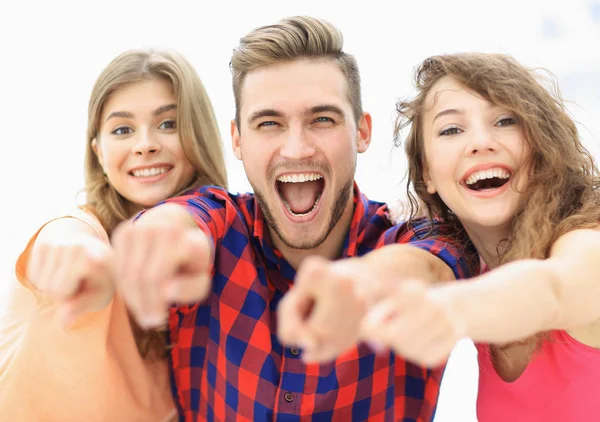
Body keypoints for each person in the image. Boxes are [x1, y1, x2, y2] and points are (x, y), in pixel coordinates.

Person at [110, 16, 476, 421]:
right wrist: (161, 242)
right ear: (237, 140)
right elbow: (178, 222)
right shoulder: (217, 223)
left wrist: (366, 281)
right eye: (269, 123)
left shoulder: (410, 237)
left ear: (361, 131)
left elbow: (437, 266)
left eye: (322, 119)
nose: (297, 148)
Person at [358, 53, 600, 421]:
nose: (481, 142)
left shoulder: (586, 242)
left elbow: (553, 290)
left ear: (539, 148)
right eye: (451, 130)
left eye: (505, 121)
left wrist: (445, 311)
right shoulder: (473, 262)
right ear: (428, 174)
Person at [0, 48, 228, 422]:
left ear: (197, 135)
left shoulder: (210, 277)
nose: (145, 144)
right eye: (123, 130)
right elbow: (66, 242)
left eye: (168, 124)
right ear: (99, 154)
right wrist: (86, 257)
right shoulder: (78, 227)